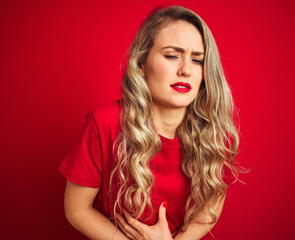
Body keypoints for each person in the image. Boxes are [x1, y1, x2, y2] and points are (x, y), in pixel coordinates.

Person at [59, 5, 240, 240]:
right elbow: (77, 209)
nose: (185, 70)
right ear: (141, 64)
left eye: (198, 60)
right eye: (172, 56)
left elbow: (209, 211)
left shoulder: (214, 133)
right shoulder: (104, 122)